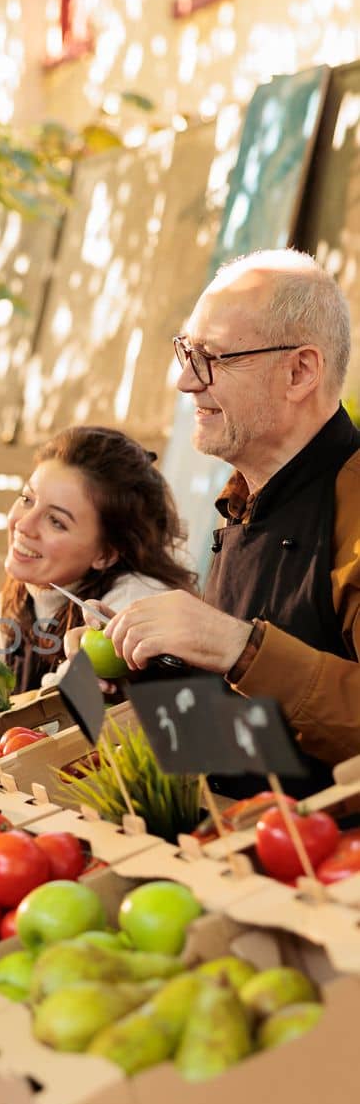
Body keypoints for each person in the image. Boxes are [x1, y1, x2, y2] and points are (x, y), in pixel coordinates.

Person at [96, 249, 360, 792]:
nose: (185, 382)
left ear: (299, 371)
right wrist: (152, 676)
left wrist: (240, 648)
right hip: (238, 849)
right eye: (186, 351)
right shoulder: (242, 499)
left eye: (212, 357)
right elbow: (261, 740)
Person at [0, 425, 195, 690]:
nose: (24, 525)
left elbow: (57, 708)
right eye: (27, 499)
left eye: (56, 521)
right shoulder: (19, 599)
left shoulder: (133, 603)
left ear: (106, 553)